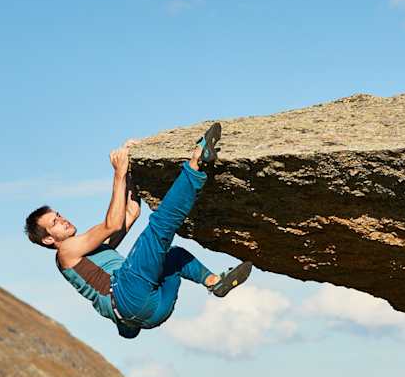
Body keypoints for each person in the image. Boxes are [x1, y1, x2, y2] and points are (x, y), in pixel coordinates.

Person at [24, 123, 251, 338]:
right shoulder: (66, 252)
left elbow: (131, 212)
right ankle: (197, 162)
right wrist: (119, 173)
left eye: (59, 215)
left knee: (174, 256)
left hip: (153, 312)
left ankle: (214, 281)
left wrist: (130, 168)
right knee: (159, 227)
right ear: (47, 240)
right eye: (54, 223)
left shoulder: (91, 253)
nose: (62, 220)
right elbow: (112, 224)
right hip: (127, 295)